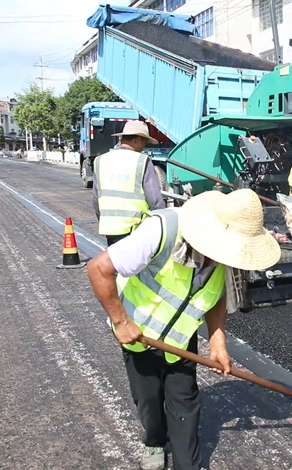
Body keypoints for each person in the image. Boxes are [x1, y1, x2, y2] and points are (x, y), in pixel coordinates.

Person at [87, 188, 280, 470]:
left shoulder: (226, 257)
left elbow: (216, 296)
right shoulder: (162, 231)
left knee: (184, 402)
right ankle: (154, 441)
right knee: (148, 400)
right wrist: (121, 322)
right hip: (138, 334)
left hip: (180, 340)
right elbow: (98, 269)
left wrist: (217, 341)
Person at [93, 120, 166, 246]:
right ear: (137, 139)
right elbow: (155, 200)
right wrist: (164, 223)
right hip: (137, 230)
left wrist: (105, 220)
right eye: (144, 142)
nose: (144, 147)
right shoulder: (141, 161)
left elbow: (96, 199)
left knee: (116, 259)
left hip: (111, 230)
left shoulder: (100, 161)